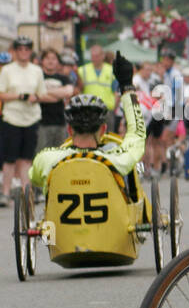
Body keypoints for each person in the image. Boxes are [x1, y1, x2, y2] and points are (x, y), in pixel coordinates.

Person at [30, 54, 145, 200]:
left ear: (70, 130)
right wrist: (127, 87)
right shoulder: (117, 158)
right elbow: (138, 133)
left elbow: (35, 179)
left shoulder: (47, 158)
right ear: (103, 130)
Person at [0, 36, 47, 204]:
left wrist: (35, 97)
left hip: (31, 117)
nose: (23, 52)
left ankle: (25, 191)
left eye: (27, 49)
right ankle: (5, 192)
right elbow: (2, 94)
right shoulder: (7, 70)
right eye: (20, 49)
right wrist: (20, 96)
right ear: (15, 51)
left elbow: (42, 93)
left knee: (27, 158)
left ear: (30, 51)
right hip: (12, 117)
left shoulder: (36, 70)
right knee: (9, 158)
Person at [35, 49, 76, 164]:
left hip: (60, 123)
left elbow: (68, 92)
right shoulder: (38, 77)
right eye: (47, 58)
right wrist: (58, 94)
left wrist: (44, 92)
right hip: (41, 123)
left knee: (60, 157)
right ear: (42, 61)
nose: (50, 61)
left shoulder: (63, 78)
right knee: (41, 157)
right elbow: (35, 95)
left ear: (58, 62)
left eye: (53, 58)